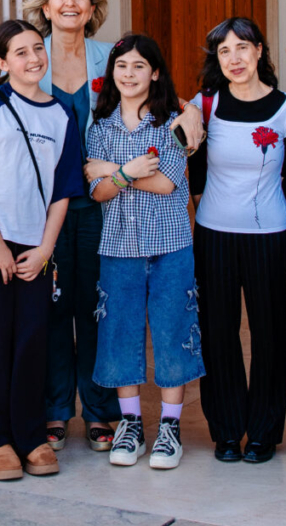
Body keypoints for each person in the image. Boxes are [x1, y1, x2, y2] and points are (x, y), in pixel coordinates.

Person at [0, 0, 204, 453]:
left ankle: (102, 411)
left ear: (92, 8)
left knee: (96, 308)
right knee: (47, 308)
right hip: (40, 210)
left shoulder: (107, 56)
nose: (70, 3)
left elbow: (155, 88)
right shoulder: (29, 53)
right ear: (45, 7)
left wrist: (193, 107)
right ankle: (51, 411)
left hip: (102, 207)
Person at [0, 19, 84, 480]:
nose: (33, 59)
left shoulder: (63, 113)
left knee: (32, 338)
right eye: (20, 53)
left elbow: (64, 189)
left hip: (34, 241)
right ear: (2, 63)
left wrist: (46, 247)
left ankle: (29, 434)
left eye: (37, 49)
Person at [187, 17, 286, 463]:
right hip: (214, 235)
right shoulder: (205, 105)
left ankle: (264, 432)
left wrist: (265, 202)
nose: (234, 58)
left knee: (270, 334)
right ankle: (226, 429)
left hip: (269, 236)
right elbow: (193, 171)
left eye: (242, 48)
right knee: (218, 334)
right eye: (224, 52)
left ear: (259, 52)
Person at [86, 34, 202, 470]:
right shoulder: (101, 127)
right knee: (119, 333)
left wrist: (116, 172)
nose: (129, 74)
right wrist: (125, 173)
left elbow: (167, 183)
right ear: (111, 74)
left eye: (139, 66)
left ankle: (170, 426)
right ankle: (130, 424)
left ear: (155, 72)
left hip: (170, 245)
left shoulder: (174, 122)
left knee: (173, 332)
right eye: (121, 66)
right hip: (117, 247)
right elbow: (96, 194)